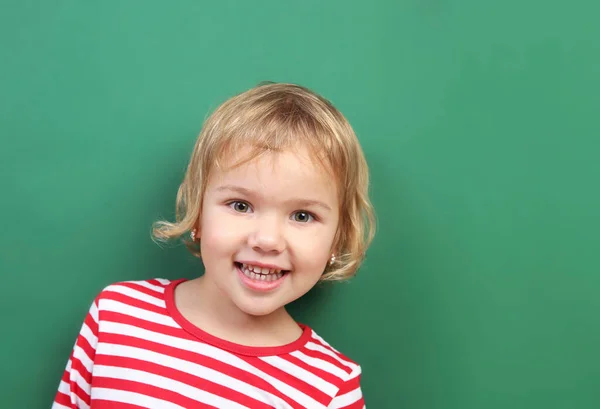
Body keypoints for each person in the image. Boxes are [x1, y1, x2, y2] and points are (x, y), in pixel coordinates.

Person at [52, 82, 376, 409]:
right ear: (198, 213)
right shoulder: (116, 317)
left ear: (339, 237)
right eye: (240, 205)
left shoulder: (331, 388)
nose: (267, 240)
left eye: (303, 215)